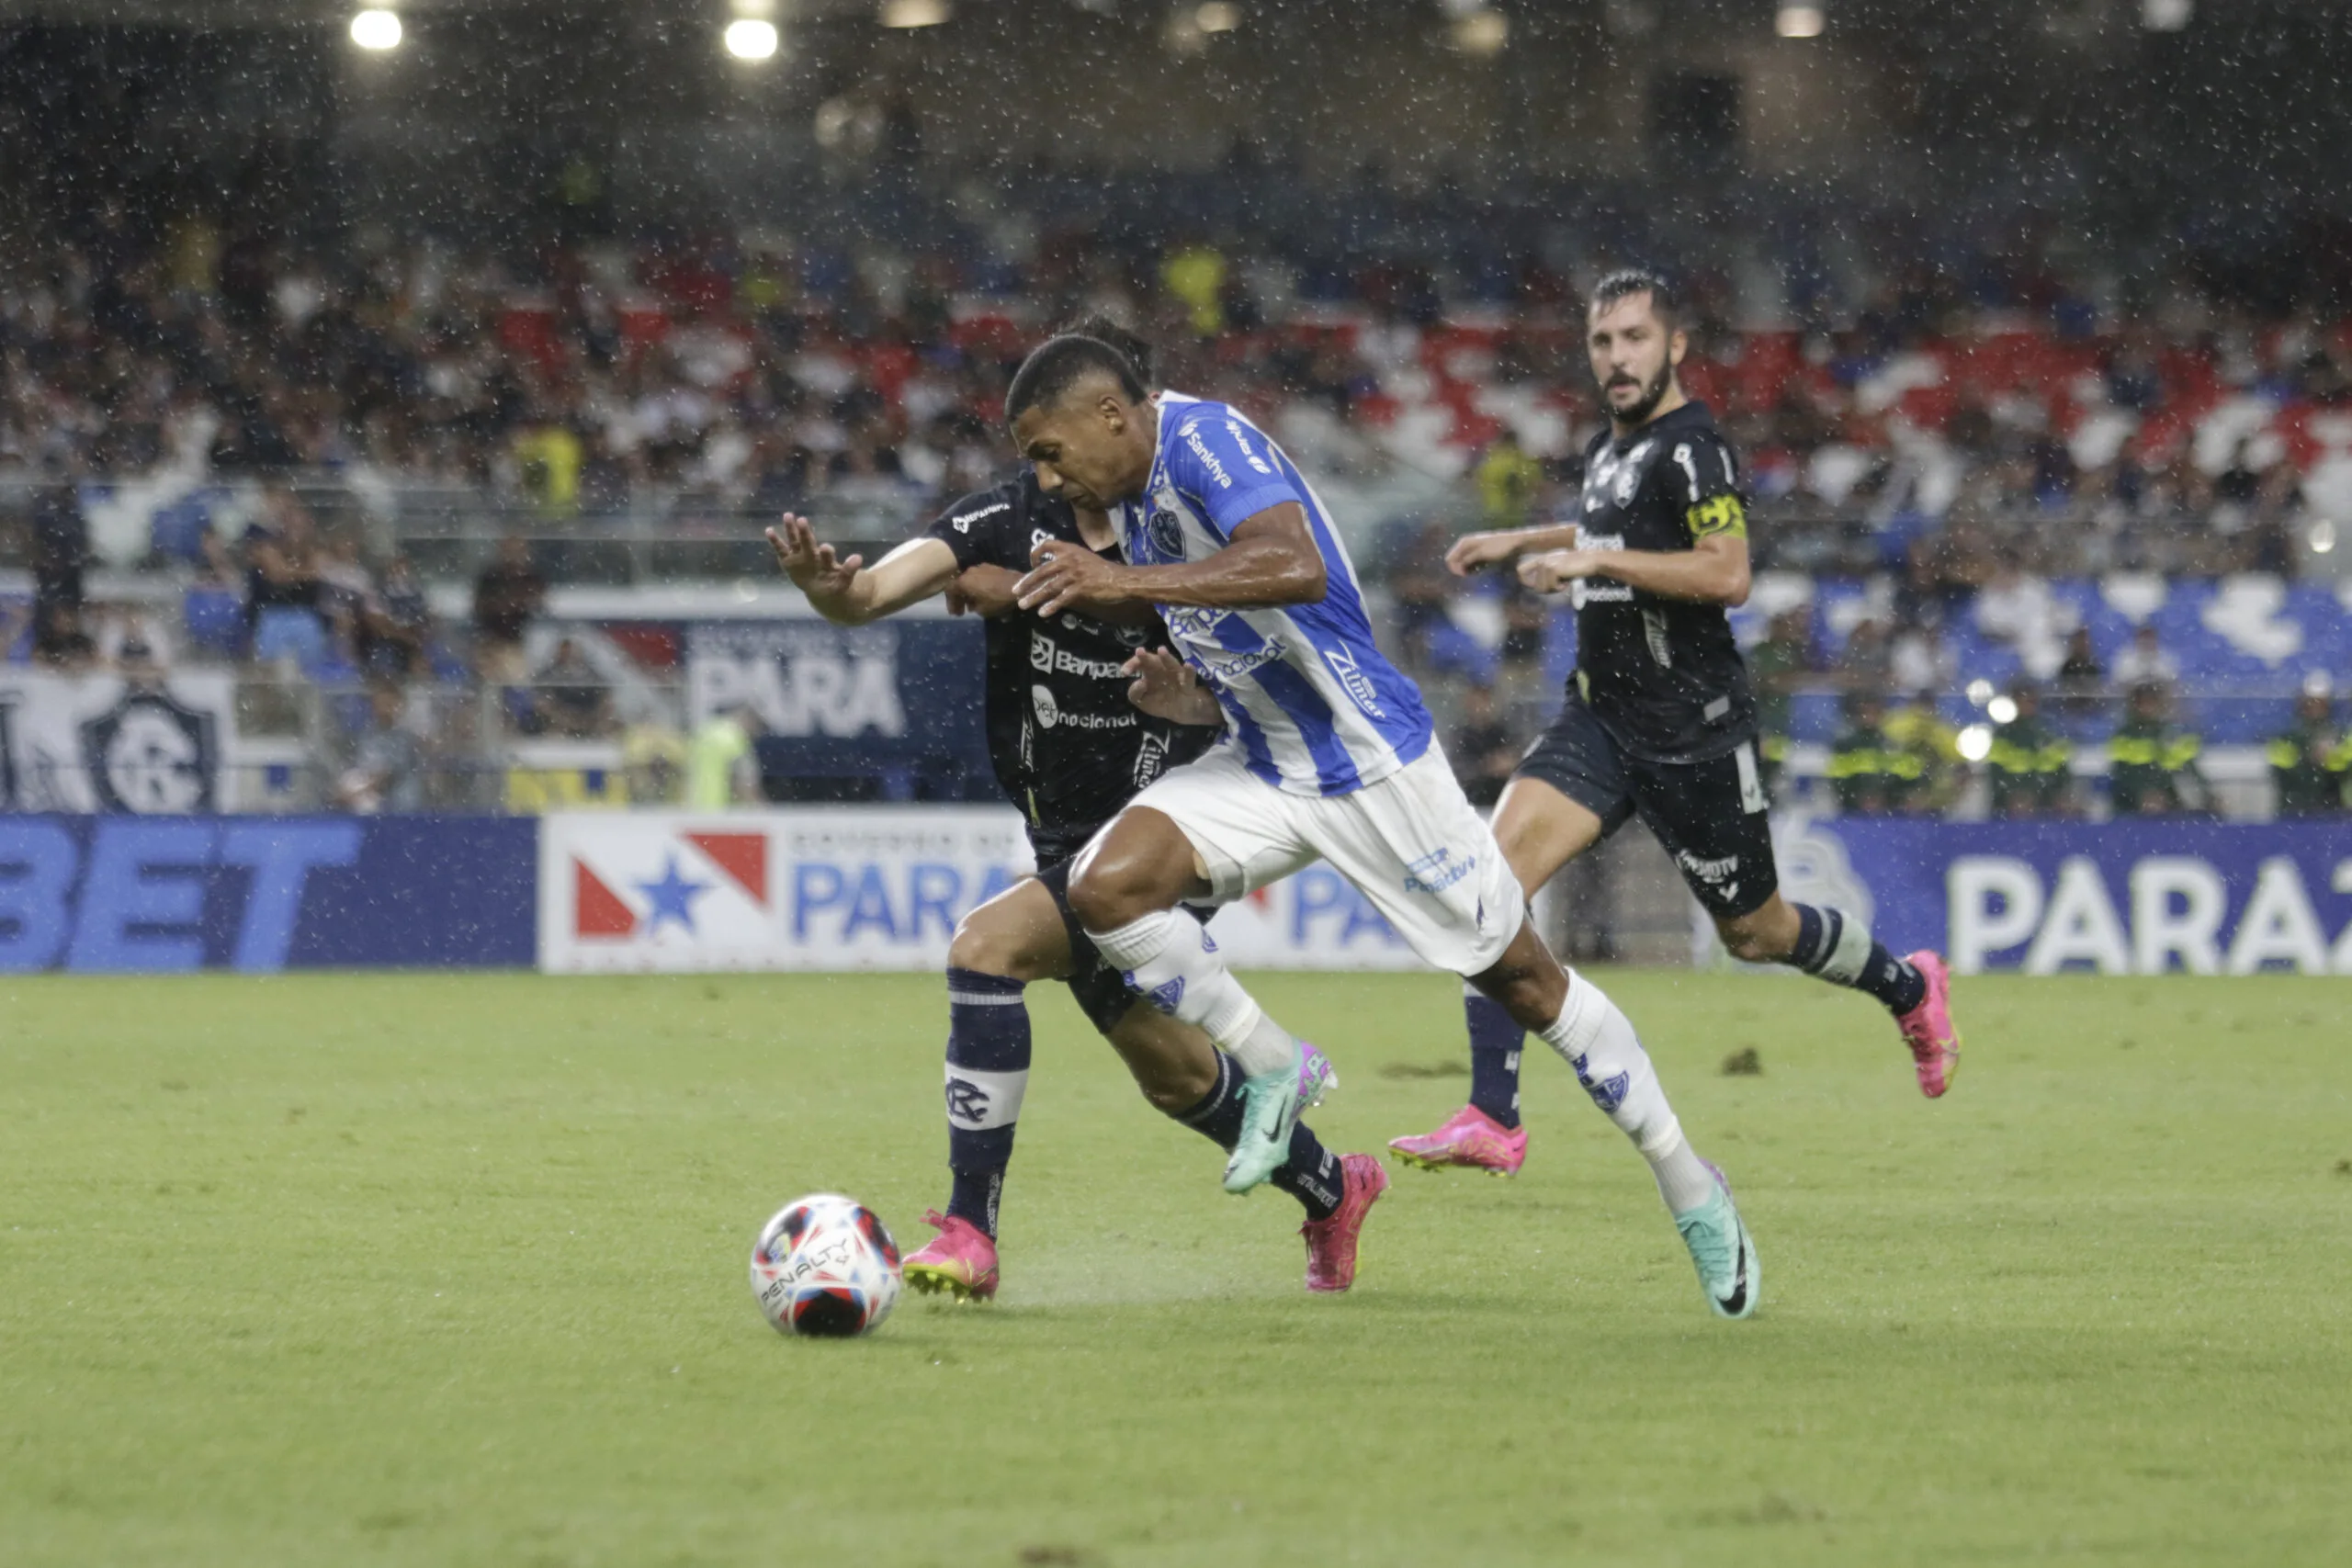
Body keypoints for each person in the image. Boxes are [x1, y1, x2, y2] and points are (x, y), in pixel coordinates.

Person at [1005, 329, 1760, 1317]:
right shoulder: (1131, 502)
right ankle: (1277, 1068)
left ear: (1110, 415)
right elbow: (1255, 646)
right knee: (1107, 886)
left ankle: (1690, 1186)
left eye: (1048, 449)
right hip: (1266, 764)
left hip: (1369, 766)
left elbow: (1294, 566)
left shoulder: (1203, 442)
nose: (1046, 476)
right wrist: (1186, 698)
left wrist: (1120, 585)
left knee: (1526, 983)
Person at [766, 327, 1377, 1301]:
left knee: (984, 949)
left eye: (1056, 452)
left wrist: (1188, 691)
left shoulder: (1184, 532)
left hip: (1160, 838)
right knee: (1174, 1077)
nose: (1049, 476)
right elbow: (876, 588)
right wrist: (828, 589)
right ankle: (1334, 1188)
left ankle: (971, 1230)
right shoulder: (1003, 520)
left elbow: (1274, 676)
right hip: (1059, 830)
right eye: (1036, 458)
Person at [1387, 270, 1960, 1199]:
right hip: (1601, 718)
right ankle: (1493, 1116)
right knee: (1486, 882)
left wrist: (1594, 556)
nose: (1616, 358)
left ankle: (1907, 988)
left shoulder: (1695, 448)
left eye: (1633, 339)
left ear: (1674, 346)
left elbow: (1726, 573)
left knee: (1758, 932)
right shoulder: (1608, 450)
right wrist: (1521, 540)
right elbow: (1605, 526)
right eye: (1602, 341)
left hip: (1691, 734)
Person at [2107, 681, 2204, 816]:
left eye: (2152, 702)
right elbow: (2121, 772)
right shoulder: (2125, 734)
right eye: (2143, 702)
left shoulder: (2170, 732)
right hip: (2131, 804)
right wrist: (2143, 793)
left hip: (2169, 802)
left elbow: (2188, 768)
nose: (2148, 707)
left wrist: (2206, 795)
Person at [1826, 688, 1923, 815]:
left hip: (1889, 811)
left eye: (1874, 712)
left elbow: (1908, 779)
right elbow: (1837, 781)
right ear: (1856, 715)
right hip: (1852, 812)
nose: (1869, 717)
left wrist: (1888, 798)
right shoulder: (1845, 745)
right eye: (1864, 712)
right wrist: (1858, 798)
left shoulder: (1894, 744)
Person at [1985, 684, 2074, 818]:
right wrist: (2010, 796)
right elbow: (1995, 774)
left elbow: (2062, 771)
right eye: (2022, 701)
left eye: (2031, 701)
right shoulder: (2003, 735)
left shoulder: (2049, 733)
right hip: (2008, 811)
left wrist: (2060, 796)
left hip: (2047, 807)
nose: (2027, 706)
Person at [472, 535, 547, 684]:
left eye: (518, 550)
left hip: (520, 642)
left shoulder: (531, 577)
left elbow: (538, 604)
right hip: (490, 640)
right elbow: (480, 606)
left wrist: (511, 603)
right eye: (509, 550)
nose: (513, 555)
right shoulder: (491, 577)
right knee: (488, 681)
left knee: (516, 683)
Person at [2267, 682, 2349, 817]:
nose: (2316, 709)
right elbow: (2280, 773)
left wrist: (2330, 757)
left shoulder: (2340, 735)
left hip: (2331, 812)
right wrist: (2308, 756)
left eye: (2321, 704)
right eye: (2311, 703)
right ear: (2302, 705)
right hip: (2293, 812)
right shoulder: (2286, 736)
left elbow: (2344, 772)